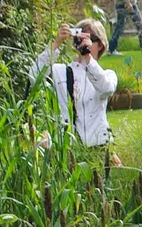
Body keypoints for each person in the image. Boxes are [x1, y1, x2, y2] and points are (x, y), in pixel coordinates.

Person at [33, 20, 118, 148]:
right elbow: (34, 77)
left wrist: (88, 58)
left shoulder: (108, 75)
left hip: (98, 145)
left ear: (100, 45)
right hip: (67, 147)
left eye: (88, 38)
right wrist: (56, 44)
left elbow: (106, 89)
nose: (82, 42)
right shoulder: (60, 71)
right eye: (79, 38)